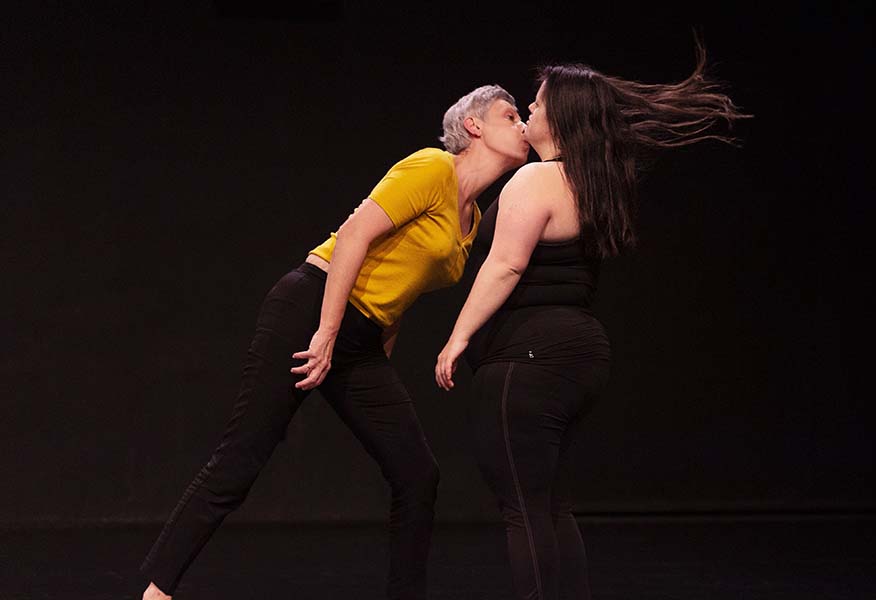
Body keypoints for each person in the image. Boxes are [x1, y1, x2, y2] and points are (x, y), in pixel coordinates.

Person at [140, 84, 529, 600]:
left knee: (417, 475)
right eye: (510, 114)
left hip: (361, 339)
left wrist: (378, 355)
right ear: (475, 126)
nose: (523, 122)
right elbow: (353, 237)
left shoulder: (473, 218)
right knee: (242, 456)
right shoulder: (432, 168)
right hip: (311, 307)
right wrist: (325, 331)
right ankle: (156, 591)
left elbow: (402, 287)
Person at [434, 42, 748, 600]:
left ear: (564, 115)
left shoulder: (534, 181)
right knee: (552, 504)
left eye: (536, 102)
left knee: (523, 511)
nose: (528, 110)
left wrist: (457, 338)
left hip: (529, 356)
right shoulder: (594, 183)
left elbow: (506, 264)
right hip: (582, 354)